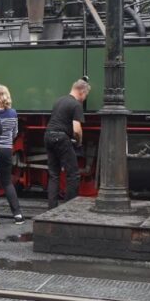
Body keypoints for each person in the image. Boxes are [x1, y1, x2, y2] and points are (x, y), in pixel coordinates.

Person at [45, 78, 86, 207]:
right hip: (61, 138)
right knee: (73, 174)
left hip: (48, 135)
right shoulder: (76, 105)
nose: (85, 98)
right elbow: (77, 129)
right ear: (81, 91)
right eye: (86, 95)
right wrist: (79, 142)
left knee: (53, 174)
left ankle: (51, 208)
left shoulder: (59, 101)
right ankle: (69, 207)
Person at [0, 85, 25, 221]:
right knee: (7, 182)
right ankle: (17, 214)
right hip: (6, 150)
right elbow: (15, 132)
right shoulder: (13, 113)